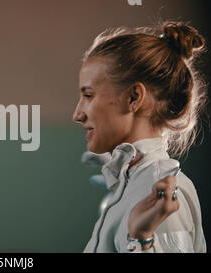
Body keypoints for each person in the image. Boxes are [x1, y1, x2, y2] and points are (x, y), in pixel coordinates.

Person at [73, 21, 207, 252]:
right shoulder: (135, 182)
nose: (77, 114)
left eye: (89, 95)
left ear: (134, 97)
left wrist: (141, 239)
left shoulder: (160, 193)